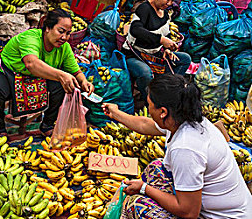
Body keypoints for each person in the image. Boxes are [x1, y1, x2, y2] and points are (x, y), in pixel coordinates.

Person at [102, 74, 252, 219]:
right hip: (221, 203)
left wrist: (144, 189)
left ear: (163, 112)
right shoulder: (185, 119)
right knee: (156, 167)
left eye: (149, 105)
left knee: (136, 206)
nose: (148, 109)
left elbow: (189, 212)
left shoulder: (185, 149)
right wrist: (115, 114)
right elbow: (144, 124)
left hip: (222, 216)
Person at [0, 9, 94, 135]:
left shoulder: (64, 48)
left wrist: (84, 81)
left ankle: (47, 124)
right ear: (47, 28)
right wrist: (61, 74)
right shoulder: (30, 37)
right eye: (61, 31)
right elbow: (31, 64)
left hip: (38, 78)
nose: (64, 37)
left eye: (68, 33)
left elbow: (75, 71)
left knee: (64, 86)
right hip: (10, 73)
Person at [122, 0, 191, 106]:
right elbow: (135, 30)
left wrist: (166, 49)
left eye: (172, 1)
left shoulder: (165, 12)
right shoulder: (144, 9)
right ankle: (151, 101)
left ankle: (166, 91)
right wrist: (161, 40)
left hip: (155, 54)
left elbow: (165, 33)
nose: (169, 3)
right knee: (145, 72)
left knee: (185, 59)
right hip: (135, 55)